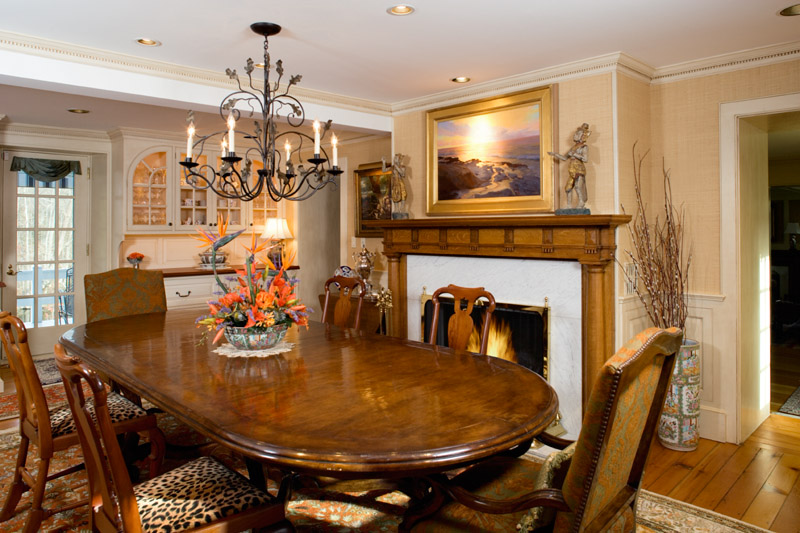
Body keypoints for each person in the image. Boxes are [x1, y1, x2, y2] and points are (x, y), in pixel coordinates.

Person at [549, 123, 591, 209]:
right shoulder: (573, 147)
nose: (574, 135)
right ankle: (569, 205)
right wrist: (555, 154)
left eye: (577, 134)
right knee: (568, 188)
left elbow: (585, 159)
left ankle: (581, 202)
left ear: (582, 136)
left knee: (578, 186)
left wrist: (575, 155)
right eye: (575, 134)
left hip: (579, 169)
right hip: (572, 170)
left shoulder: (584, 147)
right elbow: (565, 158)